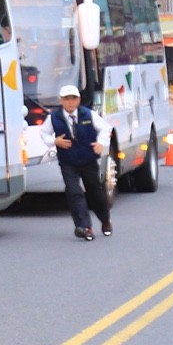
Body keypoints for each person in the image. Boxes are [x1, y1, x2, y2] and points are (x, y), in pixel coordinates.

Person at [52, 85, 112, 241]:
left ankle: (105, 220)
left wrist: (101, 143)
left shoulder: (88, 114)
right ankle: (85, 226)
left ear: (78, 100)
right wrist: (54, 141)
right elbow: (43, 134)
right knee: (74, 192)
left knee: (95, 192)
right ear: (61, 101)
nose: (70, 102)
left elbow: (106, 128)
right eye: (66, 99)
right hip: (68, 161)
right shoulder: (54, 117)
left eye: (73, 99)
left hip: (88, 159)